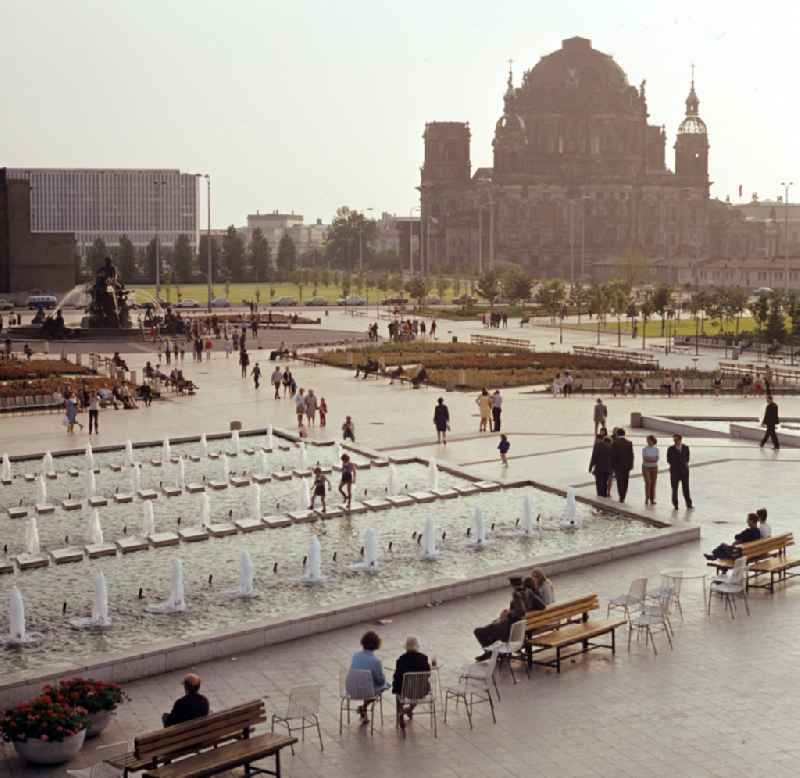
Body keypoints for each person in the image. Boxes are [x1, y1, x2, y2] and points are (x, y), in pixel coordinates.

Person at [346, 631, 390, 724]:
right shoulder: (376, 661)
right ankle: (364, 706)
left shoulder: (355, 655)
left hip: (352, 689)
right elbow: (380, 681)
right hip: (367, 691)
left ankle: (364, 708)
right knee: (385, 685)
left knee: (368, 684)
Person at [473, 591, 527, 661]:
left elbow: (496, 628)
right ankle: (490, 653)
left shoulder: (509, 621)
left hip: (506, 639)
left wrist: (501, 618)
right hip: (516, 641)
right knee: (490, 633)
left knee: (478, 631)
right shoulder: (519, 618)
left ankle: (489, 652)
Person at [392, 636, 431, 730]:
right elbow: (428, 674)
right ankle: (409, 709)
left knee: (398, 690)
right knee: (415, 691)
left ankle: (401, 714)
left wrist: (395, 687)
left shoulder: (401, 659)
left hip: (406, 692)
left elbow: (397, 676)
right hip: (421, 691)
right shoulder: (424, 658)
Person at [667, 433, 693, 510]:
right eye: (674, 440)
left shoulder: (686, 447)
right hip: (674, 471)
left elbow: (687, 458)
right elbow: (669, 460)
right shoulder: (670, 449)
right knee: (674, 489)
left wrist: (683, 465)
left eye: (676, 439)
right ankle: (675, 504)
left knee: (686, 488)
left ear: (680, 439)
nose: (675, 441)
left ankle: (689, 504)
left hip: (684, 471)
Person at [610, 428, 634, 502]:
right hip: (626, 466)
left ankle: (621, 496)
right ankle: (623, 496)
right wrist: (631, 465)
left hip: (617, 466)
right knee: (625, 481)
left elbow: (612, 455)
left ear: (617, 434)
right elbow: (631, 455)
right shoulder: (629, 443)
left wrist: (612, 466)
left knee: (619, 481)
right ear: (624, 434)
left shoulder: (614, 443)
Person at [641, 434, 660, 505]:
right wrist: (652, 459)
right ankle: (647, 498)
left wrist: (650, 459)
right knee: (648, 482)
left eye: (649, 440)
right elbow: (645, 458)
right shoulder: (644, 449)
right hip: (646, 467)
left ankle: (652, 499)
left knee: (653, 483)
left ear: (653, 441)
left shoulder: (656, 449)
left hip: (654, 467)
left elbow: (656, 459)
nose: (648, 441)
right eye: (647, 440)